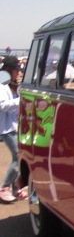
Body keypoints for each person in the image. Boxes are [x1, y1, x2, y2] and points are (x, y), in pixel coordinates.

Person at [0, 56, 25, 203]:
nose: (19, 73)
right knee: (18, 157)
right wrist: (20, 100)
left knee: (21, 156)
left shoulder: (10, 83)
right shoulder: (2, 84)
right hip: (7, 128)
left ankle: (16, 188)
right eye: (17, 70)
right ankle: (4, 188)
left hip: (14, 125)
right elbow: (2, 105)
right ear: (10, 70)